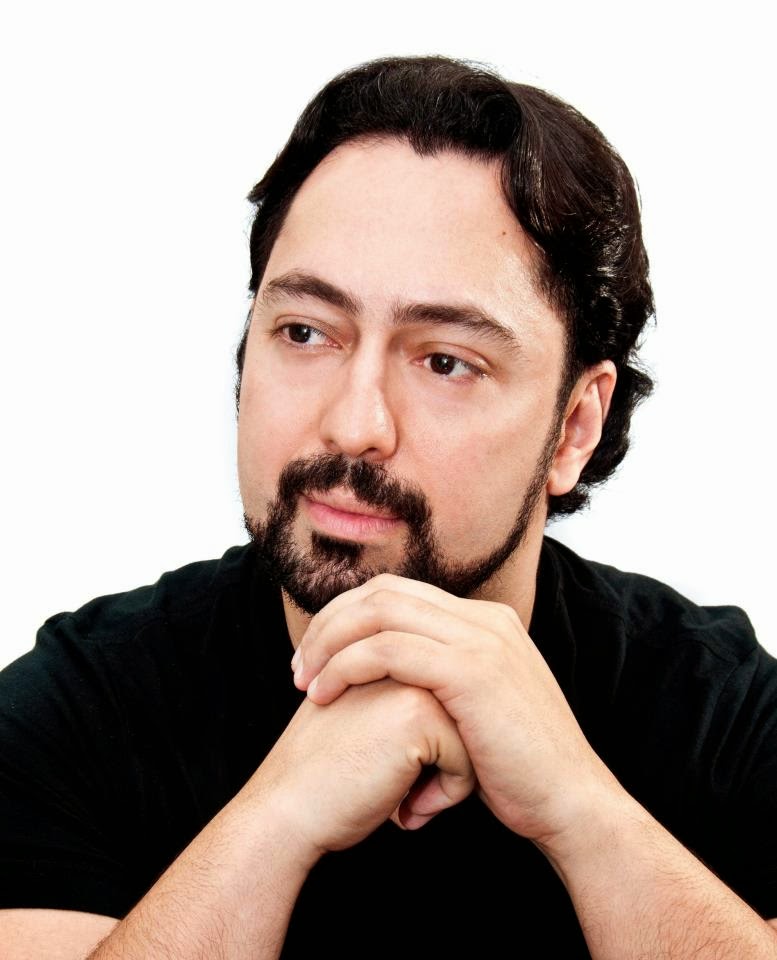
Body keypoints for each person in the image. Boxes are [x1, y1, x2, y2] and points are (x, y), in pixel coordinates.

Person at [1, 54, 776, 959]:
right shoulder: (81, 704)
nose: (353, 424)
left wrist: (579, 809)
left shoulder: (720, 713)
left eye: (445, 361)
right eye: (304, 333)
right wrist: (276, 820)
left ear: (574, 426)